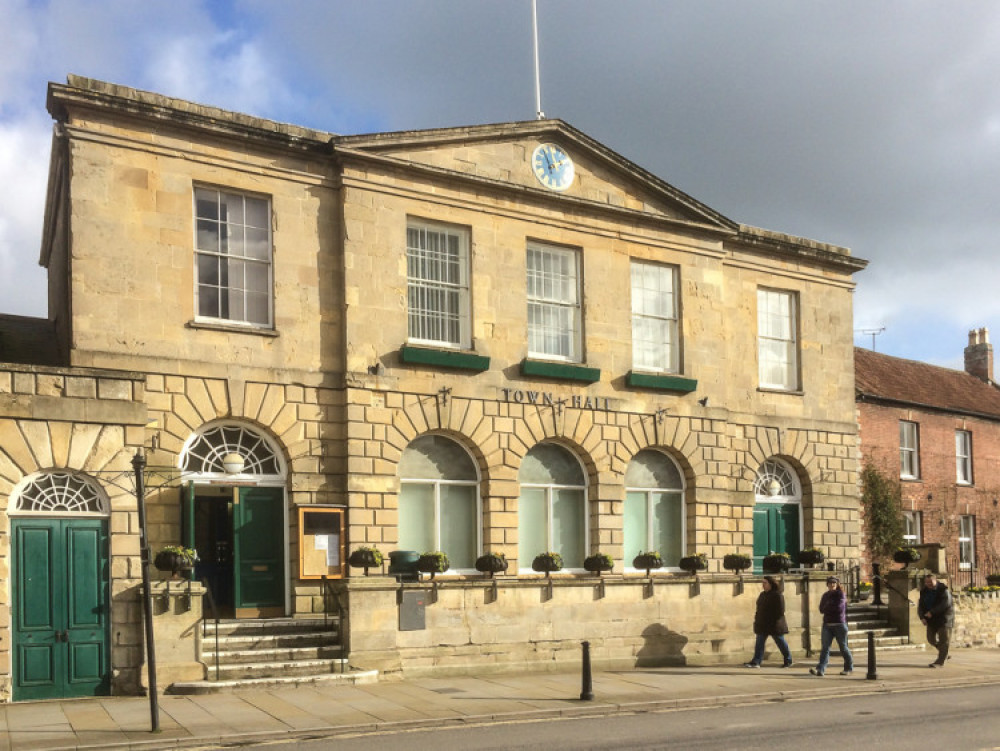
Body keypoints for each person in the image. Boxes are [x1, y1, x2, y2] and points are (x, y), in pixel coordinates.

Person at [744, 575, 793, 668]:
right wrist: (757, 619)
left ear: (771, 584)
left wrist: (772, 620)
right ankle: (756, 661)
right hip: (763, 624)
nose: (763, 585)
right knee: (759, 642)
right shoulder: (762, 595)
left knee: (781, 642)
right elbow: (759, 608)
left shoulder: (777, 595)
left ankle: (788, 660)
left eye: (765, 583)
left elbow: (781, 611)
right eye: (762, 583)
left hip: (774, 624)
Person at [808, 576, 853, 676]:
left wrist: (827, 607)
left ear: (837, 584)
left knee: (843, 647)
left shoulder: (840, 594)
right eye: (830, 583)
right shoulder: (825, 595)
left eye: (834, 583)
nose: (832, 585)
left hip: (839, 624)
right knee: (825, 648)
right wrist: (829, 606)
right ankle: (820, 669)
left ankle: (848, 667)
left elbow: (839, 609)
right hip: (827, 625)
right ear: (827, 584)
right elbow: (821, 609)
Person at [918, 572, 954, 668]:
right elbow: (920, 605)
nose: (928, 584)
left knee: (944, 641)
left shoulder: (943, 590)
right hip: (932, 620)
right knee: (930, 639)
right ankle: (944, 653)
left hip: (944, 619)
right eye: (927, 582)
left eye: (930, 582)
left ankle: (939, 662)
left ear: (936, 581)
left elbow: (945, 604)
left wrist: (932, 612)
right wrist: (922, 617)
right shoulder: (924, 591)